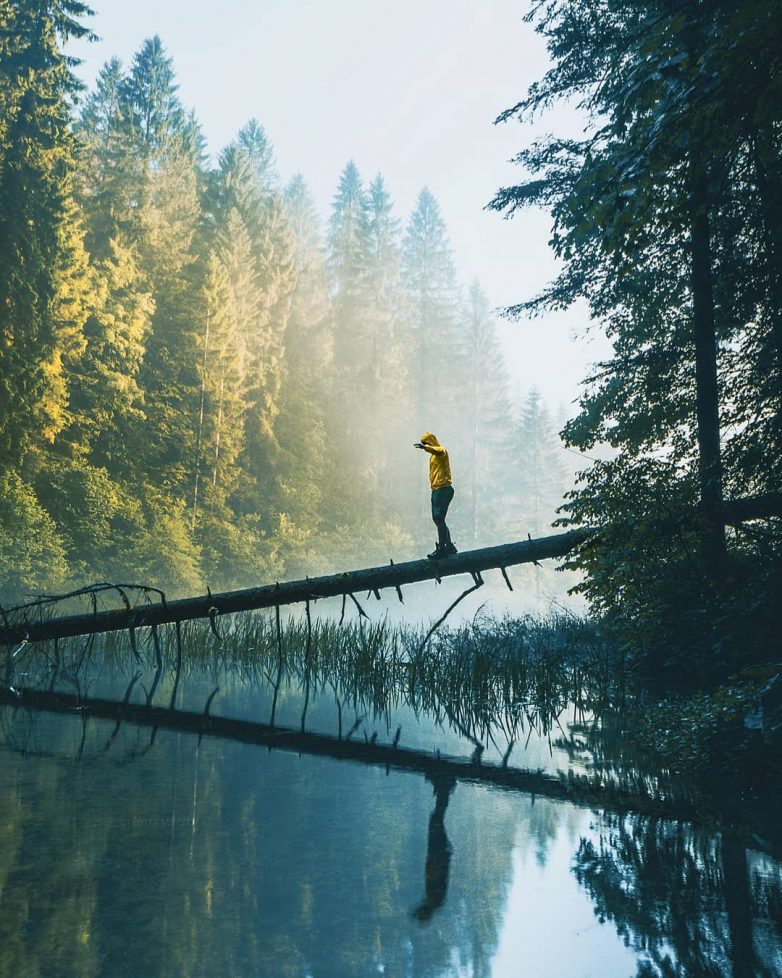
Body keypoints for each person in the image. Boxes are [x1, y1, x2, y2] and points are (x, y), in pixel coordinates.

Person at [414, 432, 457, 559]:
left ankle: (442, 549)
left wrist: (425, 448)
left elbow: (439, 451)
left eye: (427, 443)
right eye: (424, 444)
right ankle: (449, 546)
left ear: (432, 442)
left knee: (438, 518)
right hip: (436, 490)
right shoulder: (432, 456)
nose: (425, 445)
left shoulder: (441, 451)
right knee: (438, 519)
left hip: (443, 489)